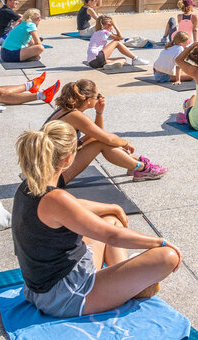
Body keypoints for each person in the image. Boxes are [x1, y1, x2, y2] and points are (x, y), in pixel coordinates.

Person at [12, 122, 181, 318]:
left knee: (110, 219)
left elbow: (73, 207)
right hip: (65, 296)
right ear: (68, 159)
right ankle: (128, 287)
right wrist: (160, 242)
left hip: (45, 287)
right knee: (168, 256)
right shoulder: (55, 199)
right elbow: (113, 237)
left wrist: (112, 207)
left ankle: (124, 283)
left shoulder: (29, 186)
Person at [46, 80, 166, 180]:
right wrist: (125, 143)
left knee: (97, 139)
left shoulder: (64, 110)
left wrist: (99, 112)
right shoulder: (75, 116)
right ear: (88, 100)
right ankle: (140, 167)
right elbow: (107, 138)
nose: (99, 97)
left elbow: (97, 133)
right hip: (52, 176)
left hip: (48, 167)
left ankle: (133, 163)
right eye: (97, 96)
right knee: (101, 143)